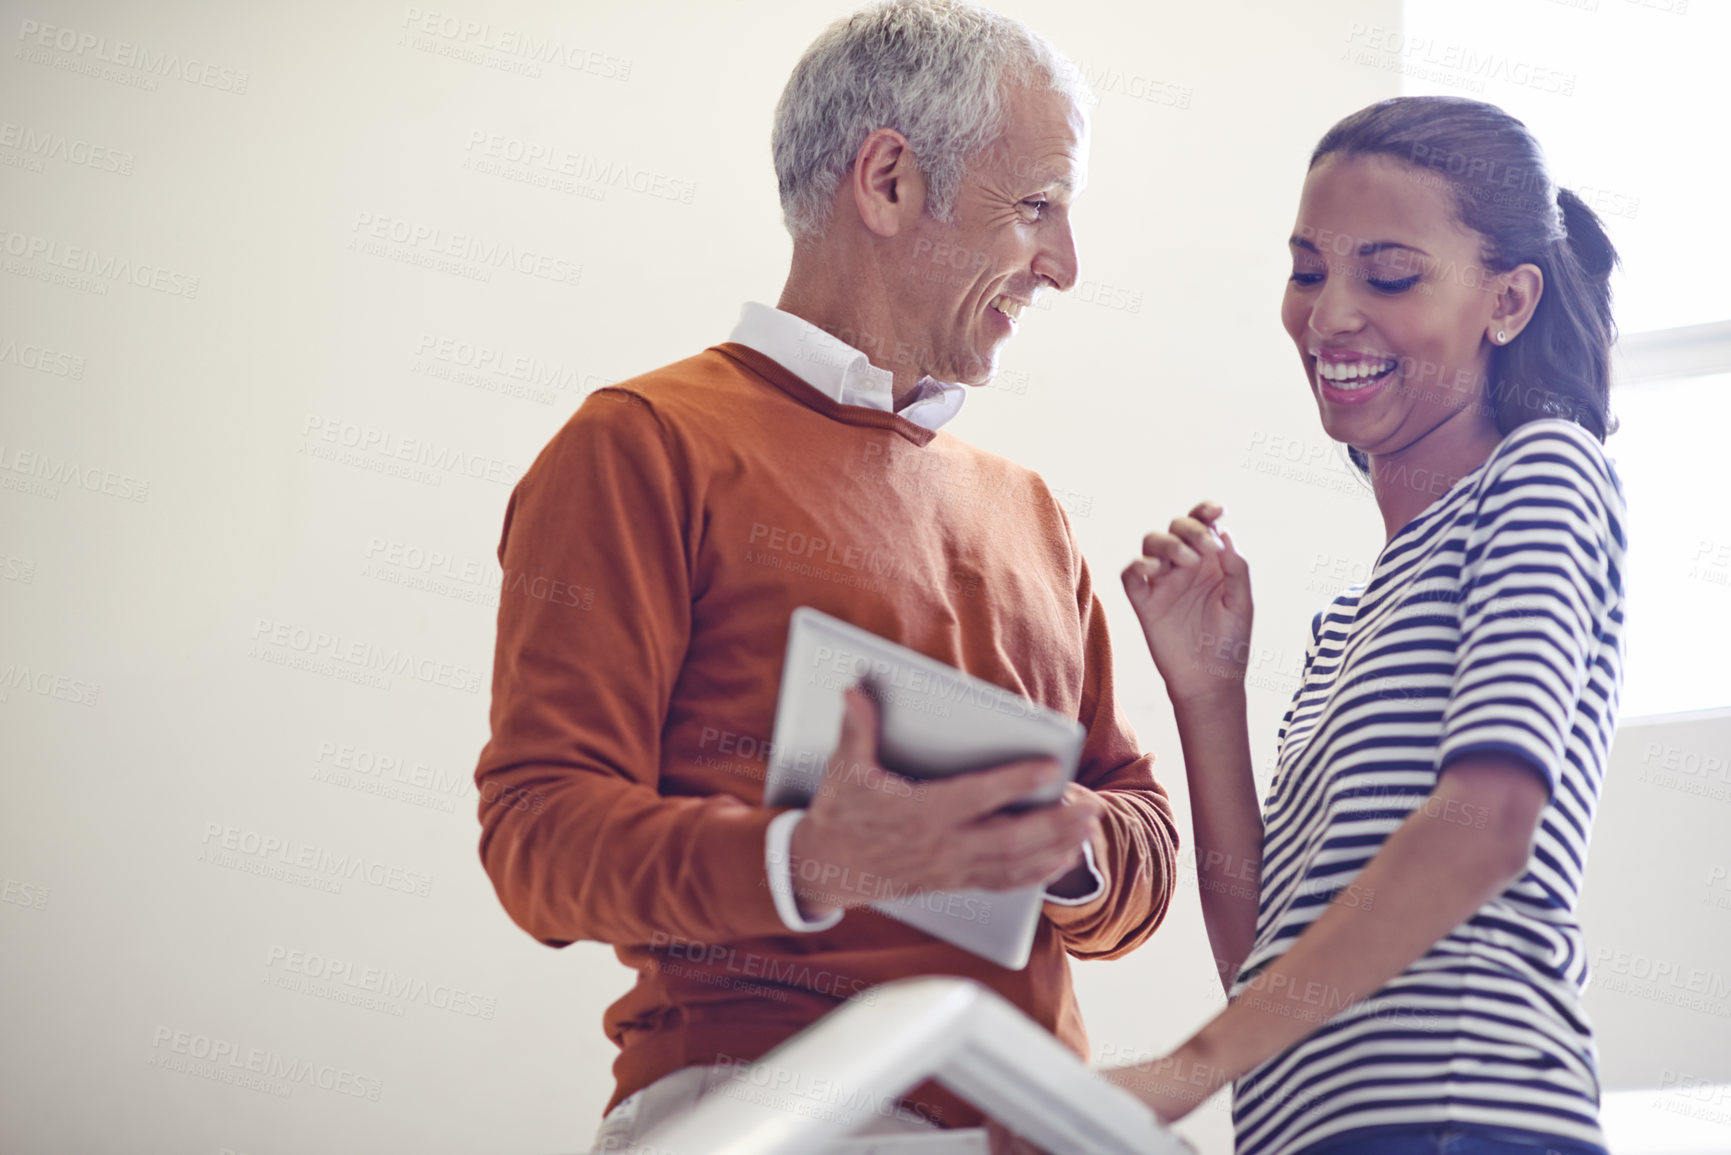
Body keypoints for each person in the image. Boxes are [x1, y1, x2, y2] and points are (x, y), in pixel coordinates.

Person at [471, 2, 1180, 1150]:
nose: (1065, 265)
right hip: (770, 1111)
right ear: (890, 181)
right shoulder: (644, 443)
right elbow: (537, 840)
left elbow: (1139, 831)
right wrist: (802, 860)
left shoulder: (1032, 512)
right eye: (1037, 205)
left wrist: (1069, 841)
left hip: (1036, 1121)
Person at [1102, 96, 1625, 1155]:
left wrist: (1186, 1069)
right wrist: (1209, 696)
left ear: (1509, 301)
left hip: (1461, 1121)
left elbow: (1489, 823)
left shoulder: (1544, 472)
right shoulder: (1348, 623)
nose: (1328, 314)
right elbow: (1266, 954)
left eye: (1388, 276)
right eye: (1307, 271)